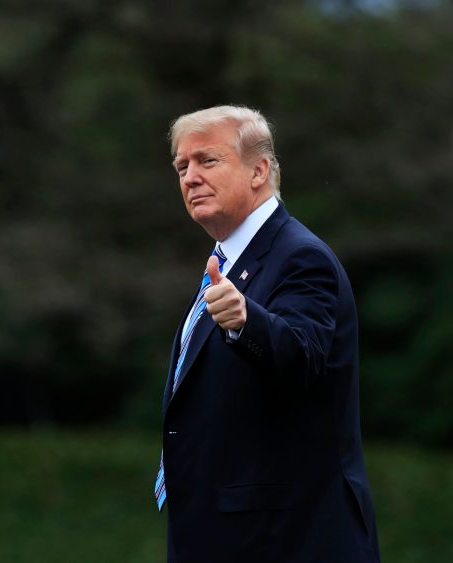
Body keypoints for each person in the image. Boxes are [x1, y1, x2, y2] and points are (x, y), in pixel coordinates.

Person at [154, 105, 380, 563]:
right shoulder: (228, 264)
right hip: (224, 535)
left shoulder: (300, 256)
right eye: (182, 166)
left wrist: (246, 321)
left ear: (258, 171)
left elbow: (304, 355)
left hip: (283, 540)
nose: (190, 177)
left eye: (207, 160)